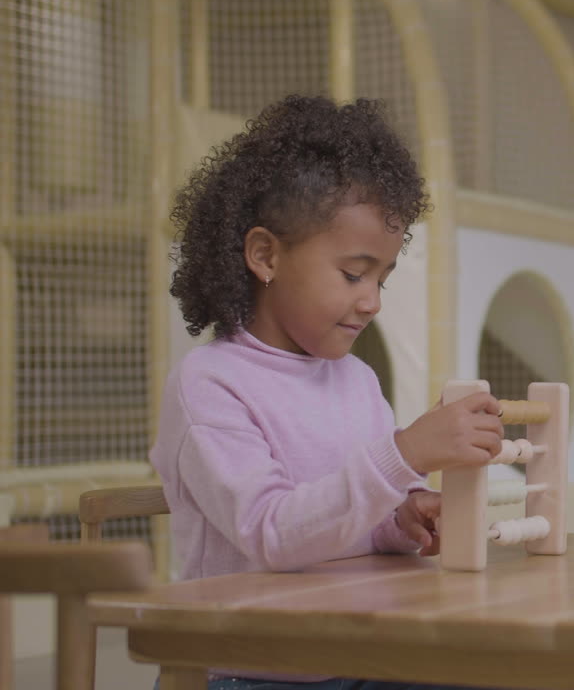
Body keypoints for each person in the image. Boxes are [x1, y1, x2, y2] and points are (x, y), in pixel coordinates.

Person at [152, 95, 503, 690]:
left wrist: (402, 519)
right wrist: (407, 454)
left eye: (382, 279)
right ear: (265, 255)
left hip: (357, 653)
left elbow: (352, 521)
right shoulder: (210, 386)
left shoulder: (356, 380)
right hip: (256, 671)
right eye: (352, 274)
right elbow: (273, 533)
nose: (372, 301)